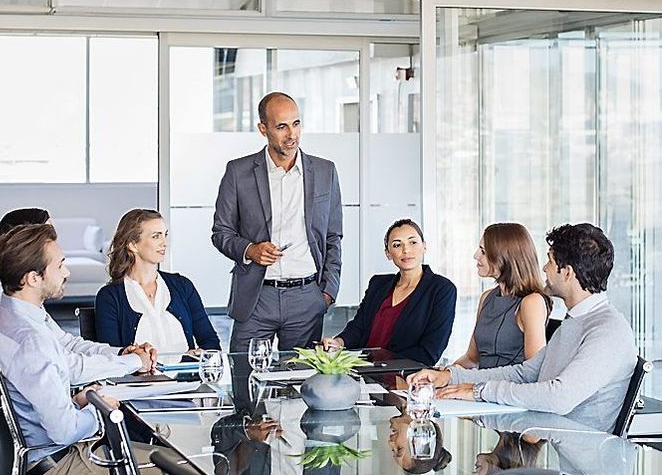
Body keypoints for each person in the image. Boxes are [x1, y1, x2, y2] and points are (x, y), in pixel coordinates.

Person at [0, 224, 164, 475]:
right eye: (60, 265)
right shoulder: (31, 340)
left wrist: (79, 399)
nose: (67, 272)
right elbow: (65, 431)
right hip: (60, 473)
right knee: (189, 472)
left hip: (28, 462)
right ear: (34, 278)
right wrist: (101, 409)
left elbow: (43, 382)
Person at [408, 223, 637, 434]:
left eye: (550, 260)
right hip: (552, 441)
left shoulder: (608, 330)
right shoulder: (575, 320)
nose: (544, 268)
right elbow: (526, 372)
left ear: (567, 272)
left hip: (580, 465)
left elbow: (559, 397)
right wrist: (451, 377)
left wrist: (479, 391)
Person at [212, 91, 344, 352]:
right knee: (244, 380)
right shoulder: (238, 172)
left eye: (296, 124)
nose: (291, 134)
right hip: (256, 296)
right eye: (281, 126)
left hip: (307, 297)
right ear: (263, 129)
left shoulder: (324, 171)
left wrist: (328, 291)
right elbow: (221, 232)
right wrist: (250, 250)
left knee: (299, 385)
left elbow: (333, 236)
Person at [0, 207, 153, 385]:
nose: (56, 245)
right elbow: (68, 368)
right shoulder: (7, 311)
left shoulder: (18, 299)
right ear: (26, 245)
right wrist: (133, 362)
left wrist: (121, 354)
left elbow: (65, 343)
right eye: (48, 236)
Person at [321, 219, 456, 364]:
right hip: (362, 372)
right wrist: (338, 343)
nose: (406, 250)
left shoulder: (442, 289)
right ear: (388, 253)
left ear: (424, 246)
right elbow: (358, 327)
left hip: (405, 378)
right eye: (397, 245)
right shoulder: (378, 284)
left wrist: (380, 366)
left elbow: (430, 352)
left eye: (413, 242)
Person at [96, 209, 220, 354]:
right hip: (140, 377)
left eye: (165, 235)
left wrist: (201, 354)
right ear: (133, 245)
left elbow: (210, 341)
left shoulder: (182, 285)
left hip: (185, 376)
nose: (164, 243)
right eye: (156, 236)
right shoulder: (109, 297)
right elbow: (111, 356)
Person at [452, 223, 551, 369]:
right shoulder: (487, 298)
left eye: (483, 252)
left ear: (505, 257)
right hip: (477, 387)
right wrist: (442, 373)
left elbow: (533, 371)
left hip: (504, 389)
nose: (476, 256)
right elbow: (472, 359)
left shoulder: (532, 302)